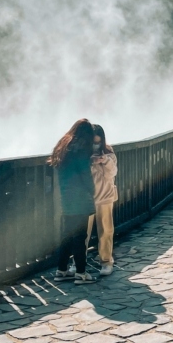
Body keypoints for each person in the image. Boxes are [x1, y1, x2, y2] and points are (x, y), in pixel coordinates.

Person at [48, 119, 97, 284]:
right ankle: (81, 274)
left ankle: (61, 271)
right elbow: (85, 177)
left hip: (66, 198)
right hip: (81, 199)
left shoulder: (63, 149)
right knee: (80, 237)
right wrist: (93, 191)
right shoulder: (81, 150)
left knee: (67, 236)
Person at [87, 124, 117, 277]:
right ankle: (78, 262)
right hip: (88, 198)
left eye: (98, 142)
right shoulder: (83, 154)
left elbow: (111, 174)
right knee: (82, 233)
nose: (96, 145)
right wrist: (90, 161)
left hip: (105, 197)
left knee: (105, 231)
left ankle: (106, 262)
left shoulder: (109, 152)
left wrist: (104, 161)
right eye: (93, 142)